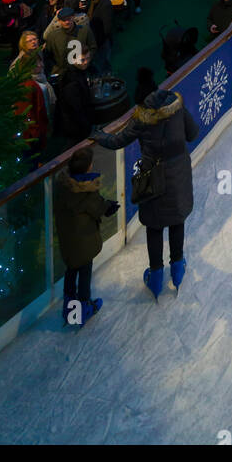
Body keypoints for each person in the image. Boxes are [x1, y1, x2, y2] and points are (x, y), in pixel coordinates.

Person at [92, 86, 199, 299]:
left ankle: (156, 276)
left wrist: (97, 134)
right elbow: (193, 133)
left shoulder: (143, 118)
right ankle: (177, 269)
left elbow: (117, 141)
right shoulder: (177, 108)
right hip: (179, 173)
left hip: (154, 178)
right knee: (177, 219)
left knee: (155, 225)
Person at [54, 144, 118, 327]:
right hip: (83, 240)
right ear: (87, 167)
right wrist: (109, 207)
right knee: (84, 272)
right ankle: (83, 308)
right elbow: (98, 208)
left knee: (71, 270)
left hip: (68, 239)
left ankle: (69, 308)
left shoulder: (62, 185)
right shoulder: (85, 191)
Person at [11, 31, 56, 163]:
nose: (34, 42)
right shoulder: (21, 66)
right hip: (33, 126)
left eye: (35, 39)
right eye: (30, 40)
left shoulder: (38, 53)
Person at [53, 44, 96, 148]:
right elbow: (76, 109)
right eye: (82, 60)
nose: (86, 62)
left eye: (88, 58)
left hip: (77, 122)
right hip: (75, 125)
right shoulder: (70, 81)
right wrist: (87, 126)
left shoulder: (78, 71)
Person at [43, 6, 97, 78]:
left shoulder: (85, 31)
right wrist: (54, 68)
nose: (67, 22)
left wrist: (85, 61)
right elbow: (48, 55)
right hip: (61, 74)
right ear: (59, 21)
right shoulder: (53, 36)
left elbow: (93, 48)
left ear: (73, 17)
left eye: (69, 19)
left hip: (81, 73)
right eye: (64, 20)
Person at [85, 0, 114, 76]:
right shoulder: (94, 2)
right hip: (96, 40)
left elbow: (107, 28)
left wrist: (96, 43)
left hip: (102, 42)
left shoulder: (105, 4)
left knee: (103, 66)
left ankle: (107, 81)